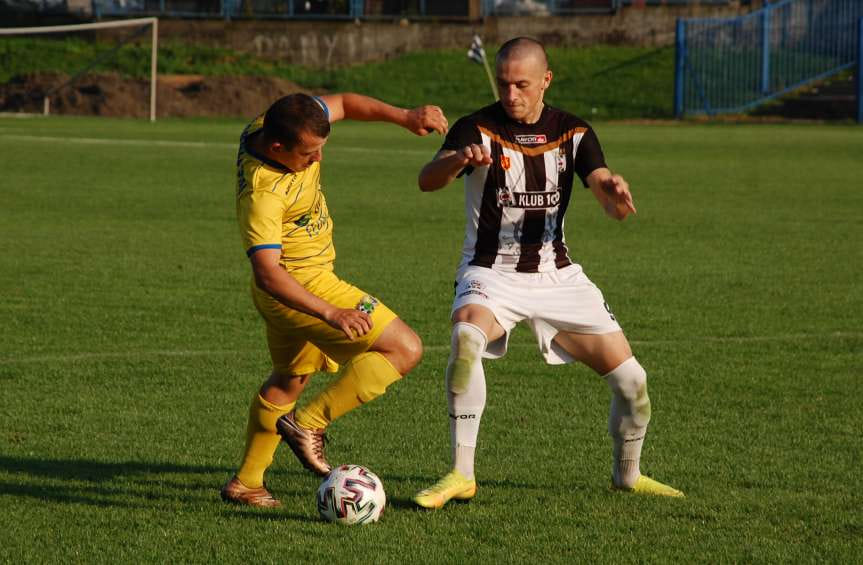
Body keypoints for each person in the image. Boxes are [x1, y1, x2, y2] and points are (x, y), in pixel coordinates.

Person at [412, 37, 683, 509]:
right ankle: (461, 473)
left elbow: (606, 196)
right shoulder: (475, 128)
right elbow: (427, 179)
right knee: (466, 340)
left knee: (633, 383)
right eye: (503, 84)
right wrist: (458, 159)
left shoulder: (573, 132)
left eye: (521, 84)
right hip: (490, 272)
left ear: (545, 81)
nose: (511, 94)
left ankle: (628, 475)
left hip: (558, 276)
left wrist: (614, 193)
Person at [222, 92, 448, 507]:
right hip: (303, 289)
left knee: (289, 379)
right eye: (308, 153)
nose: (317, 160)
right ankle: (309, 424)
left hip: (297, 291)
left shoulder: (271, 123)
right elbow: (268, 272)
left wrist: (406, 113)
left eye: (322, 148)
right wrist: (331, 312)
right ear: (276, 148)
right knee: (405, 348)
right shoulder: (264, 193)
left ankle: (247, 483)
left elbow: (342, 101)